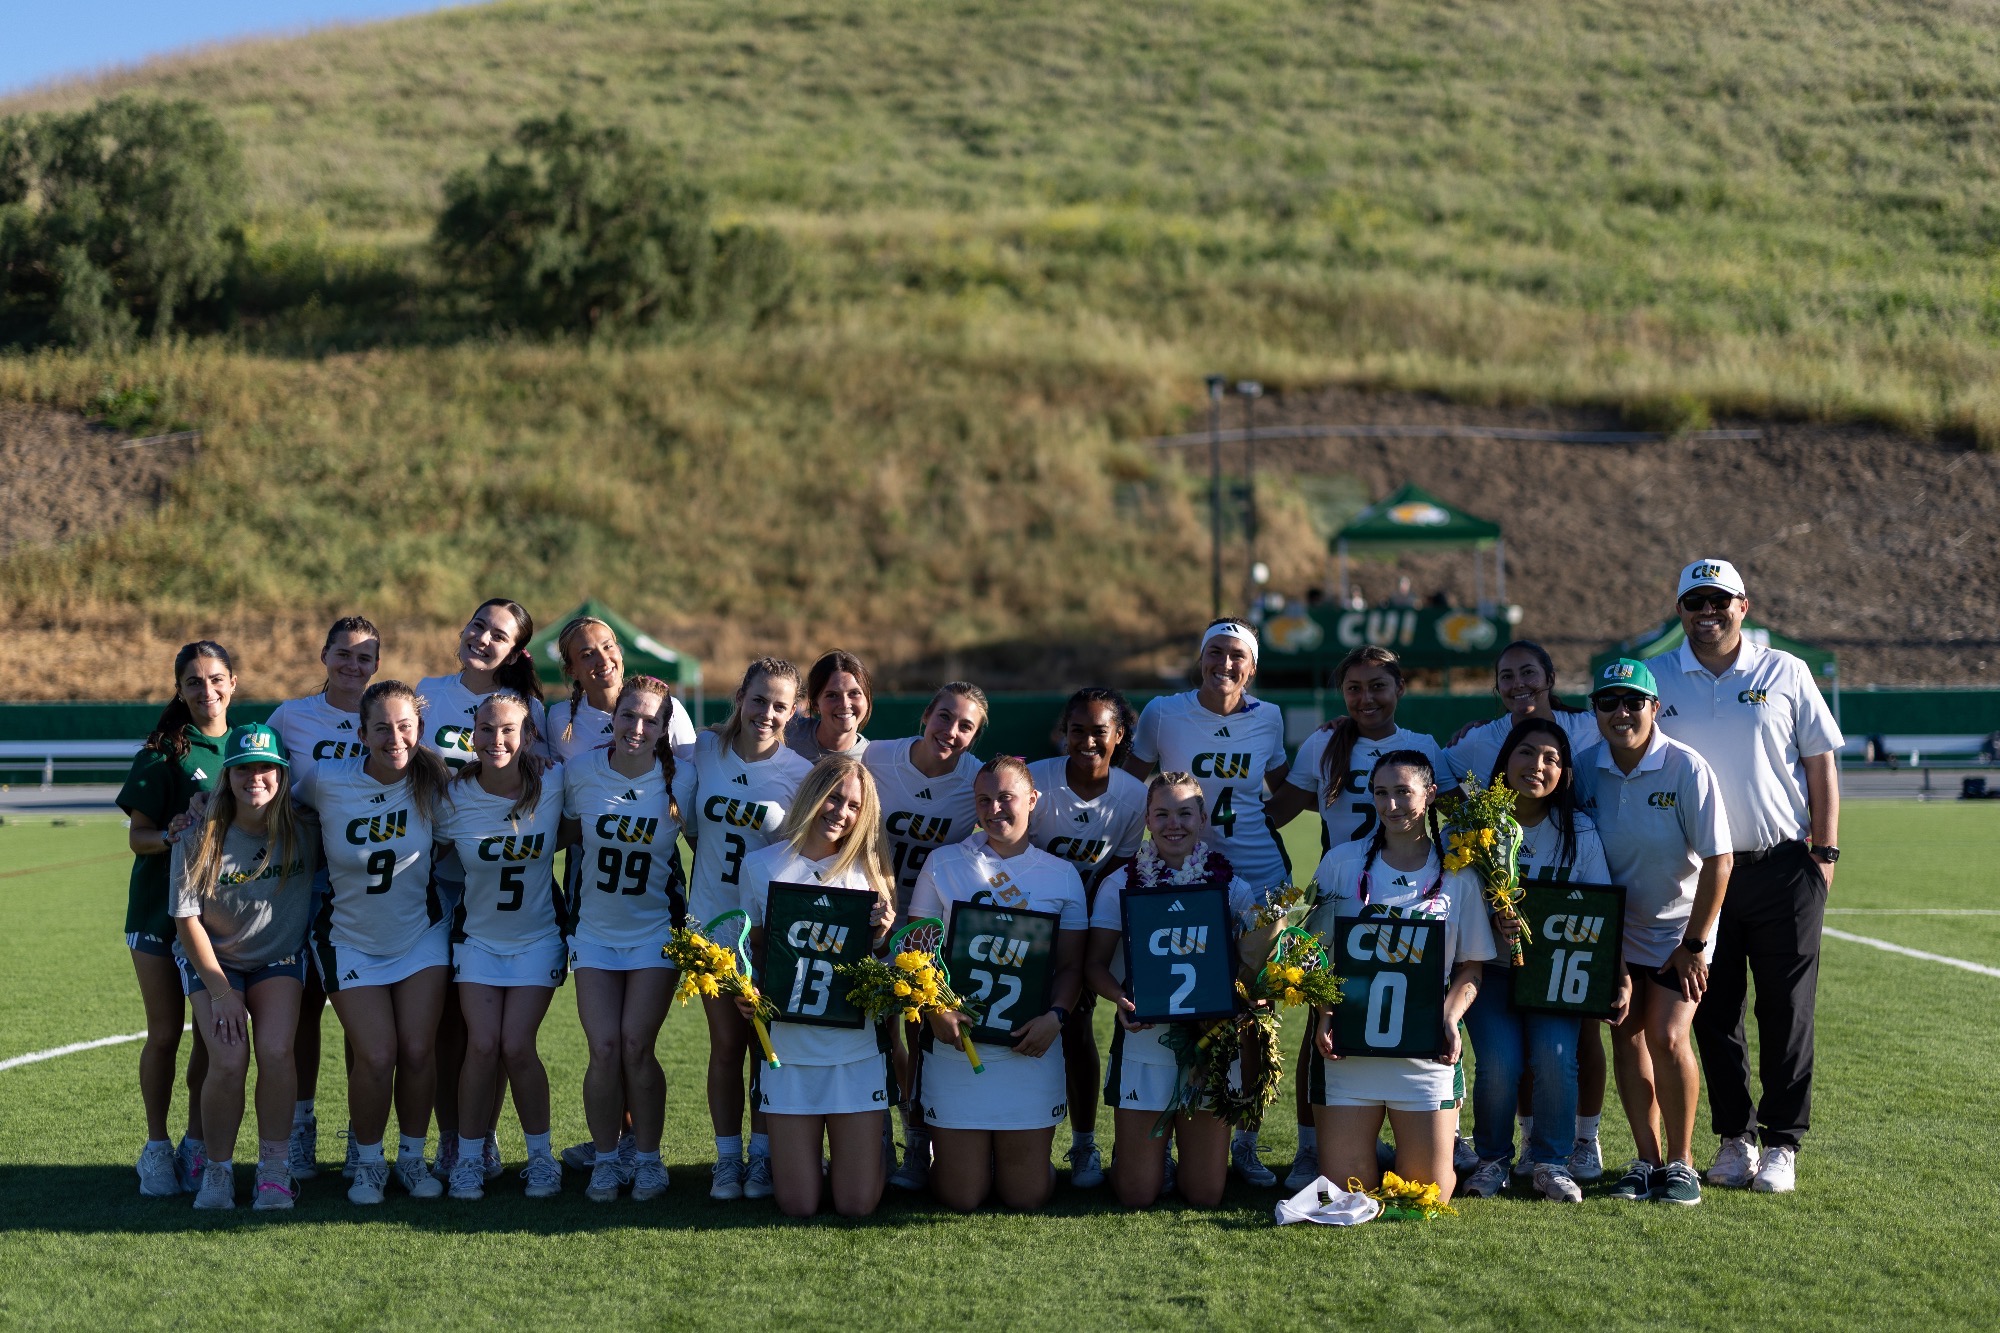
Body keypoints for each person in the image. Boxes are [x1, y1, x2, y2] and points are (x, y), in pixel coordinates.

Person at [1651, 558, 1843, 1196]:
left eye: (1719, 602)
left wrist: (1825, 853)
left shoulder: (1783, 669)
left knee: (1787, 1008)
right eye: (1694, 604)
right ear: (1679, 610)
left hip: (1783, 866)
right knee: (1711, 1007)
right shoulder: (1658, 676)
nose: (1707, 614)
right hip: (1698, 874)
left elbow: (1819, 763)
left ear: (1743, 604)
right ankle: (1735, 1139)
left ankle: (1784, 1143)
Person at [1265, 644, 1458, 1189]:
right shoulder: (1325, 742)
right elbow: (1279, 810)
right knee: (1323, 1025)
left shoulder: (1422, 747)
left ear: (1399, 689)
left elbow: (1452, 810)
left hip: (1411, 893)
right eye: (1354, 688)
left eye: (1378, 686)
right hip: (1344, 890)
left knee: (1426, 1003)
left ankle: (1443, 1131)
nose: (1366, 698)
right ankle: (1310, 1146)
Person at [1124, 619, 1289, 1187]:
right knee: (1170, 994)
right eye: (1215, 652)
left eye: (1237, 655)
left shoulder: (1268, 717)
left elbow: (1279, 789)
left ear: (1252, 666)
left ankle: (1243, 1139)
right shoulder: (1163, 713)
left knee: (1252, 1013)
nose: (1225, 663)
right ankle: (1166, 1128)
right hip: (1177, 873)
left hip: (1255, 875)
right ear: (1200, 658)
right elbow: (1130, 785)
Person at [1443, 640, 1610, 1181]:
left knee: (1558, 1060)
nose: (1536, 766)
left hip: (1553, 974)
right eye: (1524, 755)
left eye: (1550, 759)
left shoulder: (1579, 833)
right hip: (1489, 970)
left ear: (1564, 771)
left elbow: (1599, 912)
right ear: (1502, 761)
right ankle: (1492, 1157)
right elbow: (1448, 897)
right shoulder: (1473, 830)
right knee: (1498, 1064)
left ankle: (1550, 1158)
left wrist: (1617, 977)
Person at [1303, 751, 1495, 1200]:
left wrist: (1450, 1019)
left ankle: (1413, 1144)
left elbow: (1471, 967)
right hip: (1350, 1052)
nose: (1391, 805)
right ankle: (1379, 1147)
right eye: (1381, 793)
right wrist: (1326, 1012)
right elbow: (1309, 952)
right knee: (1347, 1193)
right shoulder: (1341, 863)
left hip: (1424, 1051)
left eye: (1403, 792)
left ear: (1429, 795)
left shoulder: (1459, 873)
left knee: (1426, 1194)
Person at [1579, 658, 1732, 1206]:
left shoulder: (1686, 768)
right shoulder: (1583, 768)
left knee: (1668, 1037)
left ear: (1653, 707)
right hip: (1615, 933)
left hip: (1677, 932)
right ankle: (1646, 1159)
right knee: (1627, 1036)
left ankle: (1682, 1162)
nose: (1621, 713)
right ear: (1594, 709)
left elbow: (1719, 860)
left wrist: (1694, 945)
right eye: (1607, 702)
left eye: (1632, 702)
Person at [298, 680, 454, 1205]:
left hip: (420, 933)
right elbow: (270, 807)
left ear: (419, 730)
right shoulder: (325, 779)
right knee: (377, 1053)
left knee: (415, 1050)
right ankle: (367, 1163)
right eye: (382, 727)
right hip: (349, 936)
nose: (395, 737)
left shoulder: (438, 783)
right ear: (361, 733)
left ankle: (411, 1159)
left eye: (404, 726)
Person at [911, 757, 1088, 1212]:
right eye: (984, 800)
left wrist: (1057, 1017)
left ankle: (1007, 1156)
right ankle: (938, 1153)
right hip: (959, 1049)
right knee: (961, 1197)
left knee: (1025, 1196)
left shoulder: (1061, 874)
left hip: (1029, 1050)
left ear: (1032, 801)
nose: (994, 809)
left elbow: (1071, 967)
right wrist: (935, 1009)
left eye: (1005, 798)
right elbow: (917, 953)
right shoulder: (943, 862)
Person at [1086, 773, 1265, 1209]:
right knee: (1136, 1193)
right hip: (1146, 1039)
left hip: (1209, 1044)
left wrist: (1250, 990)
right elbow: (1093, 965)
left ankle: (1177, 1155)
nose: (1174, 824)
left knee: (1205, 1194)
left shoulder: (1232, 887)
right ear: (1147, 818)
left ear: (1203, 819)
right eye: (1162, 813)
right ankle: (1145, 1156)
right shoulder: (1121, 884)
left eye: (1185, 813)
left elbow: (1256, 965)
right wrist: (1119, 999)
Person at [417, 597, 546, 1185]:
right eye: (477, 626)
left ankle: (483, 1136)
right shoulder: (427, 692)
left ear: (515, 651)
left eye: (498, 635)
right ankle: (453, 1138)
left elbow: (542, 797)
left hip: (495, 885)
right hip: (431, 879)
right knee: (448, 1024)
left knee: (486, 1031)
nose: (482, 639)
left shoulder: (528, 709)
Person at [741, 755, 897, 1217]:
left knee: (856, 1206)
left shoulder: (870, 873)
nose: (840, 813)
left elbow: (883, 970)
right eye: (834, 798)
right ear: (813, 795)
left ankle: (870, 1153)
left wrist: (881, 937)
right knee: (798, 1205)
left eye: (853, 806)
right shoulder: (762, 865)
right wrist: (747, 991)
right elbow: (757, 952)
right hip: (790, 1049)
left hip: (854, 1050)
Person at [171, 723, 318, 1211]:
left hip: (277, 957)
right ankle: (217, 1171)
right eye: (243, 769)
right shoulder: (199, 834)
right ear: (227, 776)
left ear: (281, 774)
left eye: (266, 769)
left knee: (277, 1052)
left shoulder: (304, 826)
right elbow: (186, 920)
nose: (256, 778)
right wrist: (220, 991)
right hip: (215, 960)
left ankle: (274, 1170)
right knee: (229, 1060)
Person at [563, 676, 695, 1202]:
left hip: (654, 933)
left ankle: (647, 1158)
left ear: (665, 729)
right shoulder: (580, 772)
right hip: (594, 932)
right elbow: (560, 834)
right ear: (612, 718)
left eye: (650, 720)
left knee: (637, 1047)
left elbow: (705, 846)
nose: (637, 727)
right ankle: (605, 1157)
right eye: (628, 716)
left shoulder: (683, 779)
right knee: (604, 1048)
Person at [686, 657, 813, 1201]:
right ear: (740, 696)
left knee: (767, 1047)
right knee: (725, 1047)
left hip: (771, 933)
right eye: (758, 699)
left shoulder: (799, 775)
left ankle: (761, 1157)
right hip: (711, 924)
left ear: (794, 711)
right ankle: (726, 1158)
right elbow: (691, 829)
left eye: (780, 705)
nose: (766, 713)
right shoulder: (703, 752)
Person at [436, 691, 569, 1201]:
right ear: (473, 734)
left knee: (516, 1045)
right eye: (487, 729)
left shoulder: (555, 783)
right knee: (482, 1045)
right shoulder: (453, 797)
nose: (497, 739)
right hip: (478, 939)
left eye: (509, 729)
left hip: (538, 936)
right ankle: (471, 1157)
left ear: (529, 736)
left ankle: (540, 1159)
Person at [264, 614, 380, 1184]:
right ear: (324, 656)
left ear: (377, 667)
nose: (352, 665)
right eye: (343, 654)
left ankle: (364, 1137)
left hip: (369, 883)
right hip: (302, 879)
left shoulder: (388, 713)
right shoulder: (291, 716)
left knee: (367, 1014)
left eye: (364, 657)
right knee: (303, 1007)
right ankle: (302, 1125)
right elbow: (256, 781)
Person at [120, 640, 235, 1198]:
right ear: (181, 691)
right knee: (165, 1033)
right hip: (157, 914)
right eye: (194, 682)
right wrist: (166, 835)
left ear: (233, 683)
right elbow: (137, 835)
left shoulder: (248, 746)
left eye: (216, 680)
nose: (207, 691)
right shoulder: (165, 751)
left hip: (218, 918)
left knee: (210, 1040)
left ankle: (195, 1143)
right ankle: (156, 1147)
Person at [864, 680, 989, 1189]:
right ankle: (871, 1144)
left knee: (920, 1034)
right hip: (871, 916)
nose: (952, 732)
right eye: (945, 717)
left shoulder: (976, 779)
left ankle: (919, 1143)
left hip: (930, 927)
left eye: (966, 726)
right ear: (925, 715)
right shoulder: (875, 757)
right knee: (871, 1030)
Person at [1026, 688, 1145, 1190]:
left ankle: (1083, 1143)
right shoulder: (1036, 779)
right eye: (1078, 729)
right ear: (1064, 731)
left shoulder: (1134, 795)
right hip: (1027, 918)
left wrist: (1085, 932)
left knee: (1076, 1029)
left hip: (1091, 921)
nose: (1088, 740)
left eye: (1101, 731)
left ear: (1120, 736)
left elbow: (1119, 868)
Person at [545, 614, 696, 765]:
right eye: (588, 655)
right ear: (571, 671)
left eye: (608, 647)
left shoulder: (667, 707)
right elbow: (557, 781)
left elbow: (694, 772)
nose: (604, 660)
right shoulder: (559, 716)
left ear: (619, 650)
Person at [786, 649, 874, 762]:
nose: (844, 704)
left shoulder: (872, 761)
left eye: (854, 693)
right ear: (815, 703)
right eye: (832, 695)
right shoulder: (786, 734)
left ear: (867, 699)